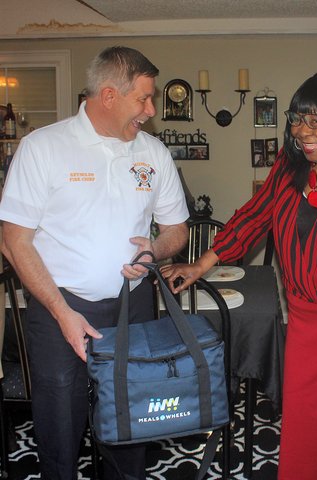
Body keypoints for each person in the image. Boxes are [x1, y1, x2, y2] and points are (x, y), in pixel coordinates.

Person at [161, 72, 317, 480]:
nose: (302, 131)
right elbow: (253, 217)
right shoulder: (289, 170)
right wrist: (199, 265)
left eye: (316, 119)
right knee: (303, 424)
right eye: (297, 119)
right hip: (303, 325)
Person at [0, 46, 189, 480]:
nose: (151, 110)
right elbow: (14, 241)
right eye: (143, 98)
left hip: (132, 307)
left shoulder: (153, 152)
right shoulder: (43, 147)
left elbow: (177, 230)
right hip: (59, 308)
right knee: (59, 424)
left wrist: (155, 249)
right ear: (108, 96)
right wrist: (62, 312)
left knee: (129, 420)